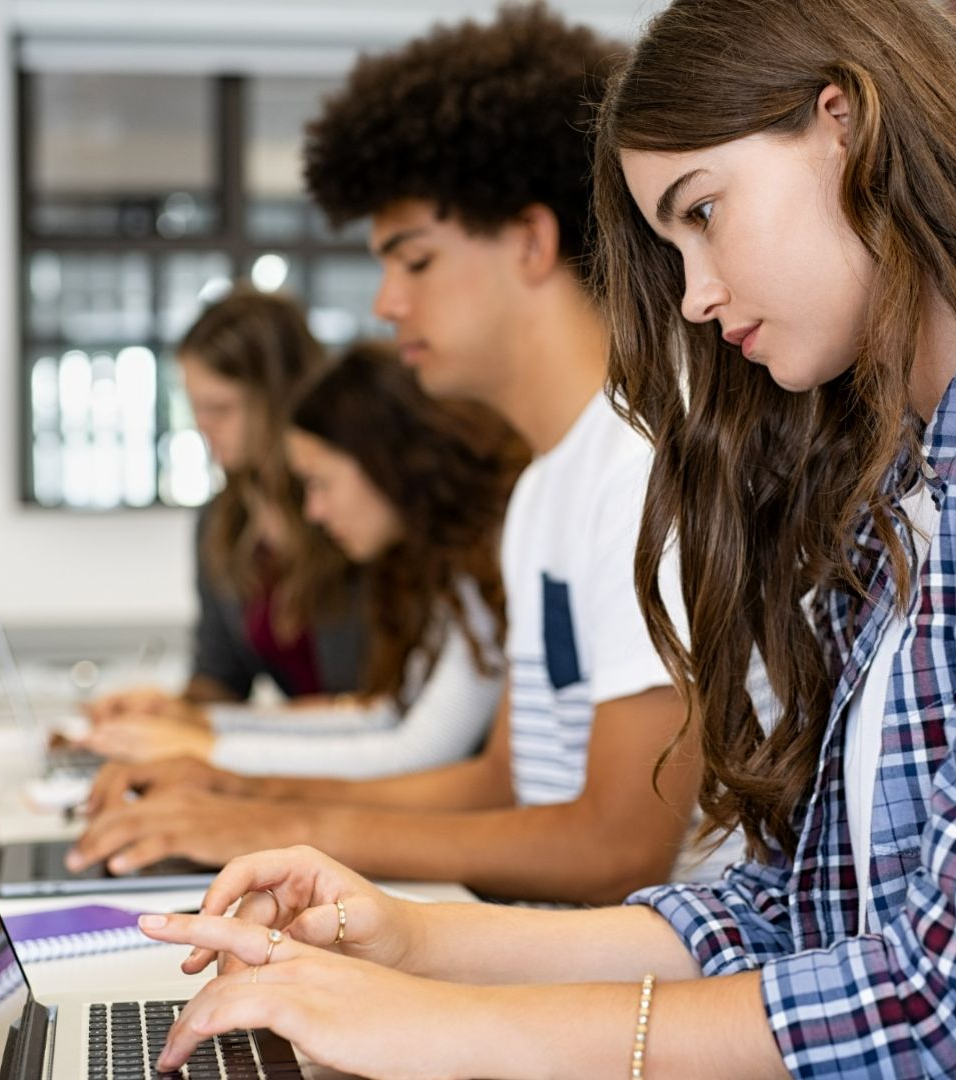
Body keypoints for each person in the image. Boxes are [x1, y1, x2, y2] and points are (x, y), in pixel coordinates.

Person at [120, 1, 956, 1076]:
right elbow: (797, 913)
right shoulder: (907, 466)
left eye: (703, 213)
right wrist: (410, 940)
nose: (694, 295)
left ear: (845, 127)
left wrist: (443, 1029)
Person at [70, 3, 732, 905]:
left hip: (647, 971)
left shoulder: (641, 466)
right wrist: (241, 795)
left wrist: (272, 830)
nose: (385, 303)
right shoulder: (547, 487)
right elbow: (501, 784)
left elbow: (618, 847)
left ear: (531, 243)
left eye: (414, 261)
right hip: (549, 943)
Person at [79, 341, 527, 780]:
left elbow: (420, 750)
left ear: (382, 463)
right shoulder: (450, 563)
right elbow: (385, 716)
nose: (314, 511)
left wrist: (206, 749)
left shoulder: (490, 557)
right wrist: (201, 725)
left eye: (320, 483)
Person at [85, 288, 366, 720]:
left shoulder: (354, 511)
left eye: (220, 408)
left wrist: (260, 726)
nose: (203, 427)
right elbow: (222, 679)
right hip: (300, 751)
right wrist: (167, 710)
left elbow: (385, 707)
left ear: (280, 399)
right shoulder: (221, 520)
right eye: (195, 408)